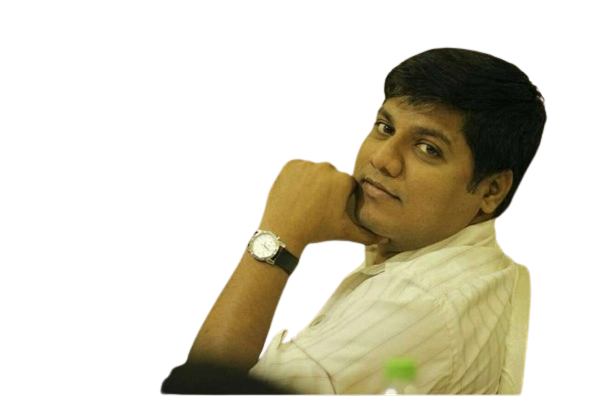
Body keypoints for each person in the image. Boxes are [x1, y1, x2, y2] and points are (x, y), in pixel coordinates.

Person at [165, 47, 546, 395]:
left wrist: (280, 235)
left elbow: (200, 393)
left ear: (491, 190)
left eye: (428, 148)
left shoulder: (416, 302)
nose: (382, 159)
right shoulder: (479, 269)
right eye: (385, 128)